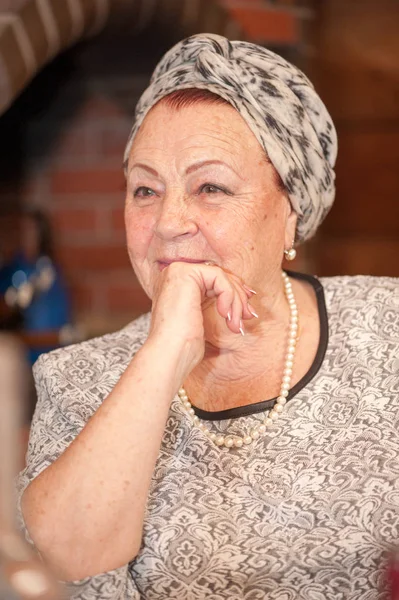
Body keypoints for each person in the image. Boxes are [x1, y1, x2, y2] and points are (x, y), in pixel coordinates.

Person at [16, 34, 398, 600]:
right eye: (145, 190)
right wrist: (164, 352)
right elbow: (70, 555)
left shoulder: (388, 328)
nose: (169, 222)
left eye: (211, 187)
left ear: (289, 211)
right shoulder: (79, 379)